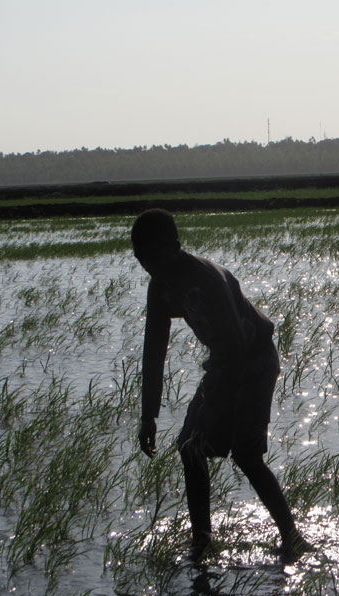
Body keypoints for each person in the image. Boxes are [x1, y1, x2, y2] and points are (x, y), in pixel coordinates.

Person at [131, 208, 312, 562]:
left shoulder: (207, 279)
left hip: (254, 360)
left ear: (176, 248)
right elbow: (153, 352)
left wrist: (217, 402)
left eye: (154, 256)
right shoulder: (160, 288)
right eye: (141, 259)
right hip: (224, 361)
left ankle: (292, 537)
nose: (149, 266)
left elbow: (236, 346)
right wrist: (148, 416)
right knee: (190, 449)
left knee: (246, 455)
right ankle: (202, 541)